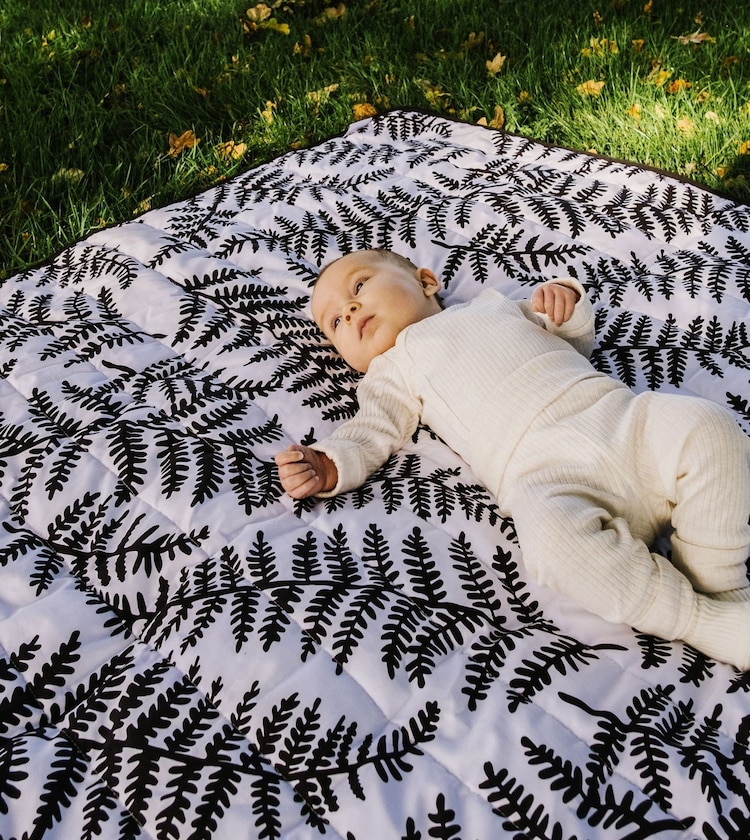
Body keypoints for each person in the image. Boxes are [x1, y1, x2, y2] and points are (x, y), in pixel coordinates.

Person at [275, 248, 750, 669]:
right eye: (335, 321)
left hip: (620, 420)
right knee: (554, 547)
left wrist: (566, 305)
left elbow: (572, 340)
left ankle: (719, 580)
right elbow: (371, 430)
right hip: (549, 478)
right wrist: (329, 463)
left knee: (707, 425)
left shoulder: (494, 305)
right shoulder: (389, 371)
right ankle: (700, 619)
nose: (350, 309)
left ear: (426, 281)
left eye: (359, 285)